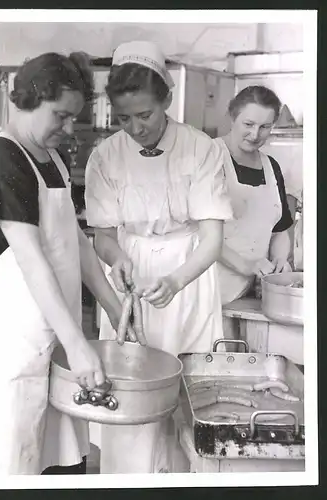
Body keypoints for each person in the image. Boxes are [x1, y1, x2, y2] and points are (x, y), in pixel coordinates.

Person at [84, 41, 232, 473]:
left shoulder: (200, 149)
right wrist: (117, 259)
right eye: (124, 118)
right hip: (129, 287)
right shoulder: (105, 156)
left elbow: (211, 241)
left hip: (188, 282)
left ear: (166, 100)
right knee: (130, 394)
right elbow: (104, 236)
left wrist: (174, 281)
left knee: (189, 399)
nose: (135, 128)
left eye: (145, 115)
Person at [0, 52, 125, 476]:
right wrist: (80, 345)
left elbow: (75, 243)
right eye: (61, 117)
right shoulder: (3, 157)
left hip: (58, 334)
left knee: (62, 457)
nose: (69, 131)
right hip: (21, 341)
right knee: (19, 457)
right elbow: (31, 260)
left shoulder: (54, 159)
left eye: (73, 118)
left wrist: (113, 305)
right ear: (26, 99)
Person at [214, 85, 294, 306]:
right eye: (248, 124)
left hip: (249, 293)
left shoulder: (271, 167)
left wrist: (278, 260)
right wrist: (246, 265)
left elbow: (279, 228)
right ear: (232, 117)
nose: (255, 134)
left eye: (265, 126)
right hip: (208, 291)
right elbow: (196, 232)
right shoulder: (208, 158)